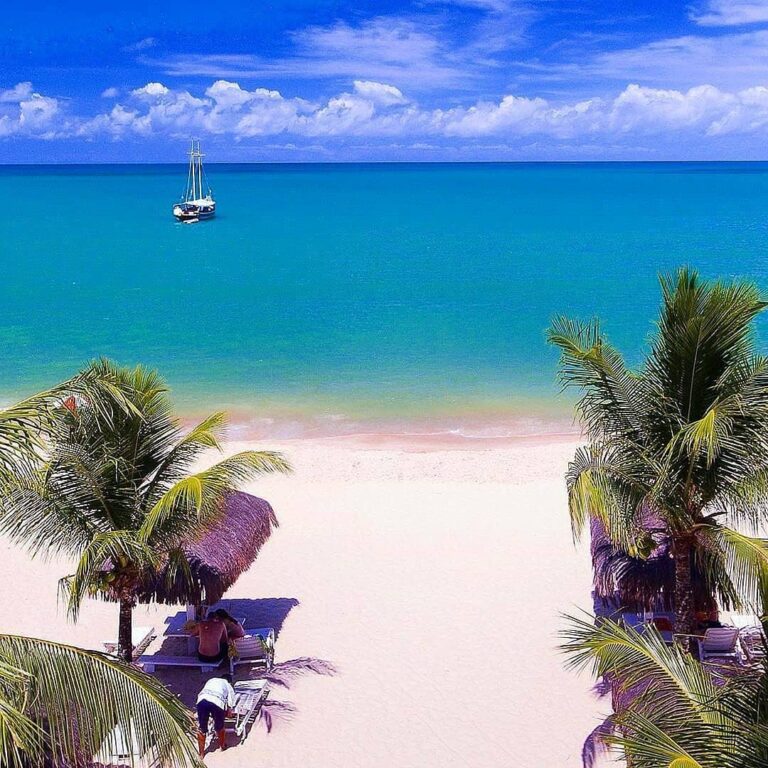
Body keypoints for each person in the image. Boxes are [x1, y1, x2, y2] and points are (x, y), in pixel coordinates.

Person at [196, 673, 235, 757]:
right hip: (216, 702)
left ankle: (201, 754)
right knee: (219, 726)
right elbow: (231, 701)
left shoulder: (211, 680)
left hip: (201, 700)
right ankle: (222, 745)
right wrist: (229, 711)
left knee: (202, 728)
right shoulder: (227, 684)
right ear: (229, 682)